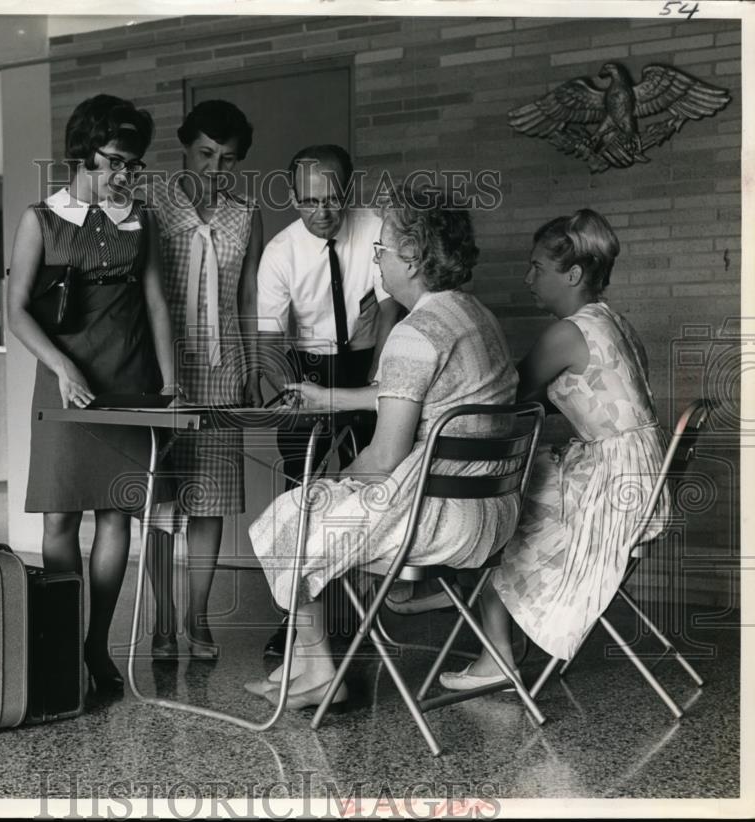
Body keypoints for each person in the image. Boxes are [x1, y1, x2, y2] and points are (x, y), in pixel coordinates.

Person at [245, 188, 519, 709]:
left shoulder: (413, 333)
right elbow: (417, 394)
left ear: (412, 258)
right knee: (308, 511)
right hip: (494, 511)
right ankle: (305, 664)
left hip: (440, 521)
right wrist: (328, 397)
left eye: (382, 252)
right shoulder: (475, 316)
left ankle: (317, 667)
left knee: (291, 514)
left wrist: (334, 480)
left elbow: (386, 458)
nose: (379, 261)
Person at [438, 209, 671, 690]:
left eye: (537, 268)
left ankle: (496, 653)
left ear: (573, 274)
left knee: (495, 507)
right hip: (643, 476)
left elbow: (507, 400)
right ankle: (500, 628)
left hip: (616, 487)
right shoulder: (614, 323)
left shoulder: (567, 334)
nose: (528, 279)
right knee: (525, 485)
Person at [7, 93, 178, 699]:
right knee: (59, 515)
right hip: (64, 381)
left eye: (135, 165)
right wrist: (61, 366)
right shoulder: (41, 219)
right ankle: (60, 637)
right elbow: (16, 311)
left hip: (127, 376)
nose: (125, 176)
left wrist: (169, 383)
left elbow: (156, 301)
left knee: (117, 513)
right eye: (114, 162)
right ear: (81, 154)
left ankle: (96, 645)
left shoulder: (142, 218)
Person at [256, 144, 403, 657]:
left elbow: (389, 308)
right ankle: (297, 620)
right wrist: (284, 392)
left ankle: (364, 607)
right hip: (307, 365)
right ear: (293, 197)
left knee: (377, 480)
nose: (322, 213)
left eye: (332, 199)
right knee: (304, 490)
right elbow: (271, 341)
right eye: (308, 201)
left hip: (368, 359)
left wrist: (378, 377)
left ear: (349, 188)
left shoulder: (377, 225)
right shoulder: (281, 252)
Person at [146, 100, 263, 659]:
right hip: (161, 370)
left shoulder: (245, 213)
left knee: (211, 500)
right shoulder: (151, 204)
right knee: (157, 502)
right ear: (184, 146)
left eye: (229, 159)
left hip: (222, 368)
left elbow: (247, 297)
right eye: (206, 154)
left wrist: (252, 366)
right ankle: (162, 623)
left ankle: (197, 618)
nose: (216, 170)